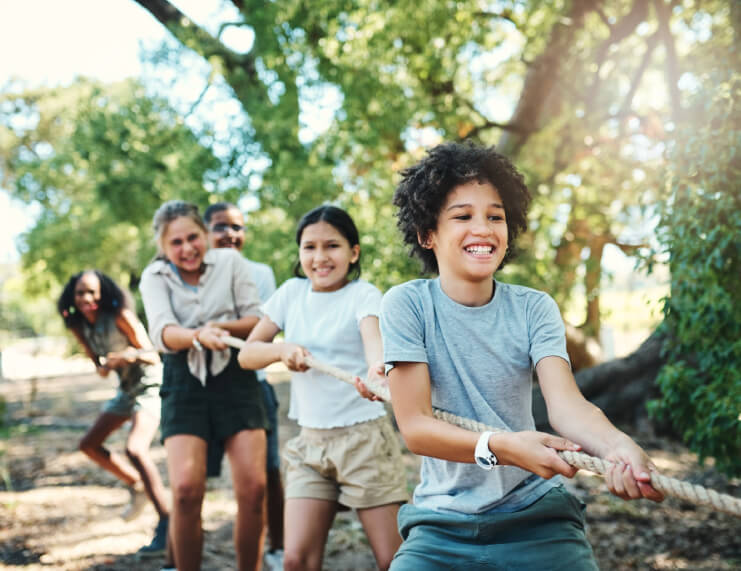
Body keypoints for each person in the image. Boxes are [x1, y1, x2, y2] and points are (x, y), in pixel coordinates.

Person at [380, 142, 664, 570]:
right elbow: (416, 427)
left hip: (537, 519)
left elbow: (567, 406)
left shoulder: (534, 308)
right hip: (441, 525)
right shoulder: (407, 306)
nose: (484, 228)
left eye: (495, 216)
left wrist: (617, 446)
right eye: (463, 216)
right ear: (427, 233)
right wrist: (504, 447)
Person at [238, 205, 408, 571]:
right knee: (296, 561)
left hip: (364, 443)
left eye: (332, 246)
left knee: (392, 561)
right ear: (299, 253)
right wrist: (281, 350)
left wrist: (377, 373)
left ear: (353, 252)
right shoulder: (290, 294)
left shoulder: (363, 295)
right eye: (309, 247)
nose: (320, 257)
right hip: (310, 447)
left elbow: (372, 341)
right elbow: (248, 355)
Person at [139, 200, 268, 571]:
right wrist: (198, 336)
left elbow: (256, 318)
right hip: (184, 380)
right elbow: (162, 332)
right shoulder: (155, 277)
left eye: (193, 237)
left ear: (205, 234)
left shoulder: (230, 263)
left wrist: (221, 331)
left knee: (254, 489)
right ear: (163, 248)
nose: (187, 248)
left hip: (235, 376)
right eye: (176, 242)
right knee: (185, 491)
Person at [57, 270, 170, 557]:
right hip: (125, 389)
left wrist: (126, 356)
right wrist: (104, 366)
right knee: (89, 445)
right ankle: (136, 484)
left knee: (135, 448)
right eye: (81, 293)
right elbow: (99, 366)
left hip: (150, 384)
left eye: (93, 292)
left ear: (103, 293)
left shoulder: (120, 315)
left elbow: (154, 354)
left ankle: (167, 522)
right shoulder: (79, 325)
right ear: (73, 296)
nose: (87, 299)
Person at [204, 201, 285, 569]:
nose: (230, 234)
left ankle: (277, 545)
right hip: (204, 388)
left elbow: (260, 328)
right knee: (190, 480)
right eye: (221, 226)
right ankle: (175, 549)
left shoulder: (260, 272)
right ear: (205, 232)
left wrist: (213, 327)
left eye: (237, 227)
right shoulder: (194, 271)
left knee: (267, 473)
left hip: (254, 385)